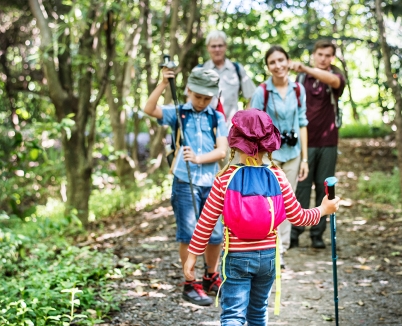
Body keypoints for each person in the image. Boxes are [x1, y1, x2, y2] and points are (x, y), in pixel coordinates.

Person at [183, 109, 340, 326]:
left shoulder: (224, 180)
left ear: (235, 143)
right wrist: (323, 209)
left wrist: (192, 257)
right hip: (268, 258)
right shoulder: (278, 176)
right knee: (257, 312)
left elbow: (206, 222)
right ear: (268, 145)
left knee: (233, 316)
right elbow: (299, 217)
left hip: (236, 258)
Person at [143, 67, 229, 306]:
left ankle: (211, 276)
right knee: (189, 234)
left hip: (211, 183)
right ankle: (190, 283)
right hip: (185, 182)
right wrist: (162, 84)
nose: (202, 102)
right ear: (189, 90)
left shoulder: (216, 117)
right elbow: (149, 109)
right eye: (198, 96)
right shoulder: (179, 113)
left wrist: (198, 158)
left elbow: (222, 150)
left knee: (214, 234)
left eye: (207, 97)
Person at [249, 45, 309, 259]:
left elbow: (302, 123)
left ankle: (281, 249)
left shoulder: (298, 90)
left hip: (293, 153)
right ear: (268, 67)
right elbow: (252, 125)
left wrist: (305, 159)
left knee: (287, 200)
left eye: (281, 60)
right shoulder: (262, 92)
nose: (278, 66)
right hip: (268, 155)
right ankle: (268, 246)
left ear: (288, 61)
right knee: (268, 200)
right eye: (272, 62)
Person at [289, 40, 346, 249]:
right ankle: (296, 231)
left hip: (328, 141)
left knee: (325, 186)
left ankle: (318, 233)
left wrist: (304, 67)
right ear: (314, 54)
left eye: (327, 55)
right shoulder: (302, 78)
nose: (323, 58)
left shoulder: (335, 75)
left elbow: (334, 81)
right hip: (304, 141)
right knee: (301, 186)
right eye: (320, 54)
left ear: (332, 57)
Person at [199, 30, 256, 126]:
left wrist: (244, 119)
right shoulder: (200, 70)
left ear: (225, 46)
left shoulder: (236, 69)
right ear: (207, 48)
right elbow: (190, 99)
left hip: (231, 129)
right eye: (213, 46)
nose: (217, 49)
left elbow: (253, 95)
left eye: (220, 45)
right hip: (205, 127)